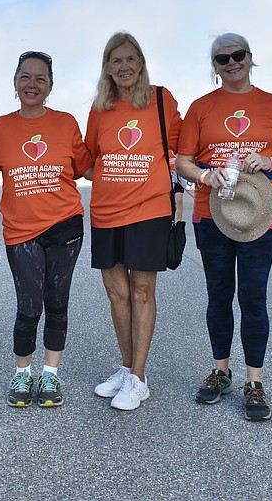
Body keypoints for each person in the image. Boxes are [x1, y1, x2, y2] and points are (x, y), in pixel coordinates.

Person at [176, 32, 272, 421]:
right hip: (212, 213)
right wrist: (203, 175)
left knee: (253, 297)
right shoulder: (201, 107)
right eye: (221, 58)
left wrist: (270, 161)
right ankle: (221, 370)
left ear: (250, 57)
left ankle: (254, 380)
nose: (231, 62)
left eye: (237, 55)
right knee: (218, 295)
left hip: (261, 212)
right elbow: (182, 161)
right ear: (213, 66)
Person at [0, 51, 93, 408]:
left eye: (40, 78)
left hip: (65, 226)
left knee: (57, 303)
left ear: (50, 86)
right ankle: (22, 373)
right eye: (25, 77)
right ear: (15, 83)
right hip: (21, 231)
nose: (32, 84)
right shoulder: (0, 128)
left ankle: (50, 375)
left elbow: (86, 168)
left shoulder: (65, 123)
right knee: (28, 305)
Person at [84, 32, 182, 411]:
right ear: (106, 67)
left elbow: (184, 143)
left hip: (148, 212)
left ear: (140, 62)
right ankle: (126, 370)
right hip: (106, 212)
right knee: (117, 293)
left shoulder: (161, 99)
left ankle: (139, 378)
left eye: (130, 59)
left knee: (141, 291)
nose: (123, 67)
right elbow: (88, 158)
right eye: (115, 61)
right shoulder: (100, 108)